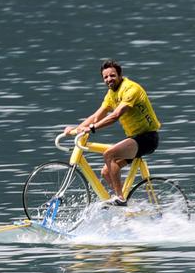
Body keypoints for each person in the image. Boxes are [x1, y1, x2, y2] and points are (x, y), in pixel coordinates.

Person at [64, 60, 161, 205]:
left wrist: (92, 128)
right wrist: (76, 129)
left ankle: (120, 198)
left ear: (120, 75)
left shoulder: (131, 89)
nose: (109, 79)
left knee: (109, 154)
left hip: (147, 138)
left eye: (112, 76)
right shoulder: (111, 94)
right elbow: (97, 116)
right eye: (105, 77)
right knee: (105, 172)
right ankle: (127, 207)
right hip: (134, 138)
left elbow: (116, 115)